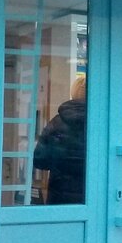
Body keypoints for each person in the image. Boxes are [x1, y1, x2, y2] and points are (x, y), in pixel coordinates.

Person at [33, 75, 87, 204]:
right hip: (92, 196)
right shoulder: (101, 124)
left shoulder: (57, 123)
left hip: (59, 196)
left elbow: (40, 160)